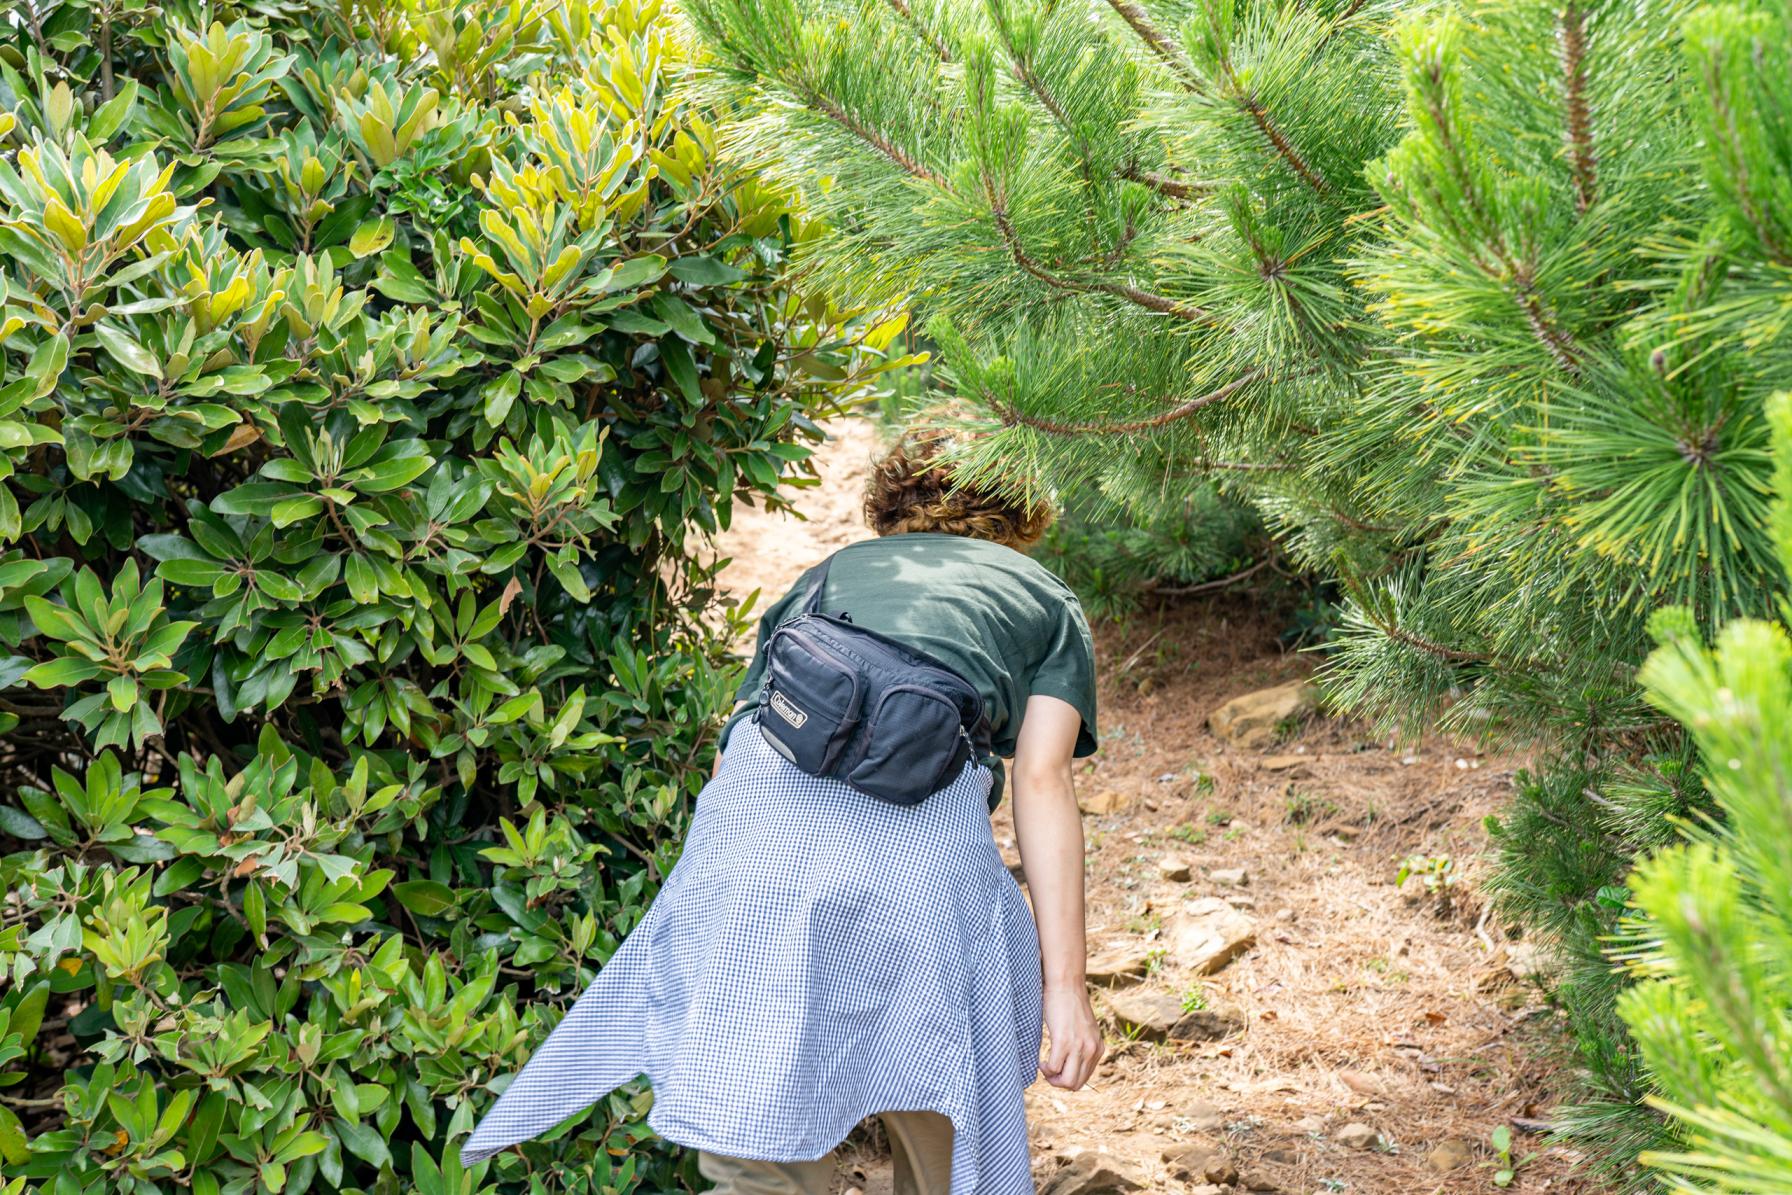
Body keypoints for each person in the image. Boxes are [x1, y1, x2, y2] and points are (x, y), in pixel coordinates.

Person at [461, 419, 1103, 1193]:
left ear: (891, 501)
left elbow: (737, 756)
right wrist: (1065, 989)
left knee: (760, 1146)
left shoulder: (827, 577)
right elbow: (1041, 780)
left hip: (752, 865)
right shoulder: (1042, 597)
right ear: (1020, 507)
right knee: (945, 1114)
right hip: (918, 885)